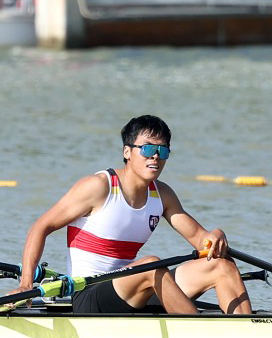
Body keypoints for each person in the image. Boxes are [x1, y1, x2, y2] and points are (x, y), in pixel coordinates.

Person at [17, 115, 251, 314]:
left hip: (133, 290)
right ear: (127, 151)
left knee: (221, 265)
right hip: (89, 295)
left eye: (162, 150)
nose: (155, 156)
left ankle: (247, 330)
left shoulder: (163, 195)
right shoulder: (99, 187)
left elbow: (202, 240)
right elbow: (41, 227)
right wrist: (26, 283)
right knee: (152, 266)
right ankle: (200, 334)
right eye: (147, 148)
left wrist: (216, 235)